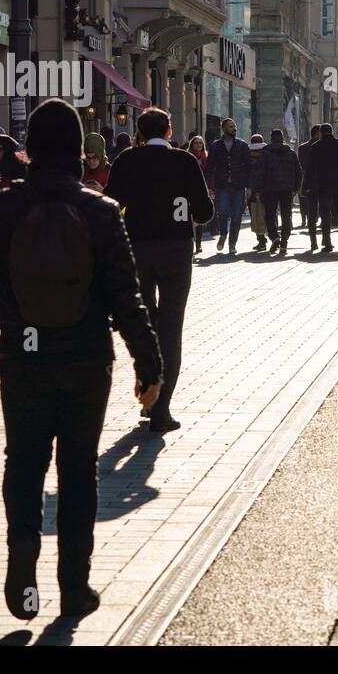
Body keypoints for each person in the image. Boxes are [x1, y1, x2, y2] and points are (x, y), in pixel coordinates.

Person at [0, 98, 163, 620]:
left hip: (25, 359)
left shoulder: (1, 209)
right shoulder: (101, 211)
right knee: (78, 472)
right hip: (85, 361)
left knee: (24, 462)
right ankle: (75, 587)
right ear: (78, 151)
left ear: (30, 150)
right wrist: (150, 364)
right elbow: (127, 296)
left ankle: (22, 563)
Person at [105, 107, 214, 433]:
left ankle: (147, 389)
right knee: (170, 328)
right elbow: (205, 211)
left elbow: (112, 204)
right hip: (176, 254)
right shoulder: (185, 161)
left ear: (139, 132)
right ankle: (161, 409)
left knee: (143, 325)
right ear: (169, 131)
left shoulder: (126, 160)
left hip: (136, 251)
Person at [302, 123, 338, 251]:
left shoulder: (316, 147)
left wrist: (306, 185)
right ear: (332, 131)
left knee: (325, 214)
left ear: (321, 133)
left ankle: (328, 243)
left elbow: (311, 168)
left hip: (323, 186)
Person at [205, 117, 250, 254]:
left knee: (237, 216)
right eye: (231, 126)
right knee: (222, 213)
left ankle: (232, 244)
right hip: (222, 185)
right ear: (224, 129)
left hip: (238, 186)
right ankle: (223, 234)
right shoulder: (215, 146)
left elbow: (248, 167)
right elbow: (210, 167)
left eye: (235, 126)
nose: (234, 128)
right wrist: (207, 187)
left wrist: (249, 187)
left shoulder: (242, 145)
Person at [258, 129, 303, 253]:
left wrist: (258, 189)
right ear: (282, 138)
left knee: (270, 216)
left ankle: (274, 237)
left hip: (270, 189)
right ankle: (284, 243)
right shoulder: (291, 152)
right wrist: (296, 188)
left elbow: (260, 172)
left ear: (271, 139)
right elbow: (299, 172)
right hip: (287, 190)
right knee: (286, 216)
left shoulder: (265, 153)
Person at [246, 134, 271, 250]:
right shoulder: (267, 155)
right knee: (267, 214)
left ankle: (261, 240)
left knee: (255, 215)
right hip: (266, 190)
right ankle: (270, 237)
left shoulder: (248, 157)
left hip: (252, 190)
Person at [185, 135, 209, 253]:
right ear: (192, 145)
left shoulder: (206, 157)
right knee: (190, 217)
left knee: (199, 218)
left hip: (202, 190)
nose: (198, 145)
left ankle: (198, 244)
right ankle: (191, 242)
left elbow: (209, 174)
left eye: (200, 143)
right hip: (190, 189)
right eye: (196, 143)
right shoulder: (187, 157)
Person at [297, 124, 322, 236]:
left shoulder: (302, 147)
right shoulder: (321, 146)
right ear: (317, 133)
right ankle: (316, 219)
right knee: (321, 202)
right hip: (320, 179)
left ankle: (308, 220)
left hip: (307, 178)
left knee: (307, 201)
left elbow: (301, 164)